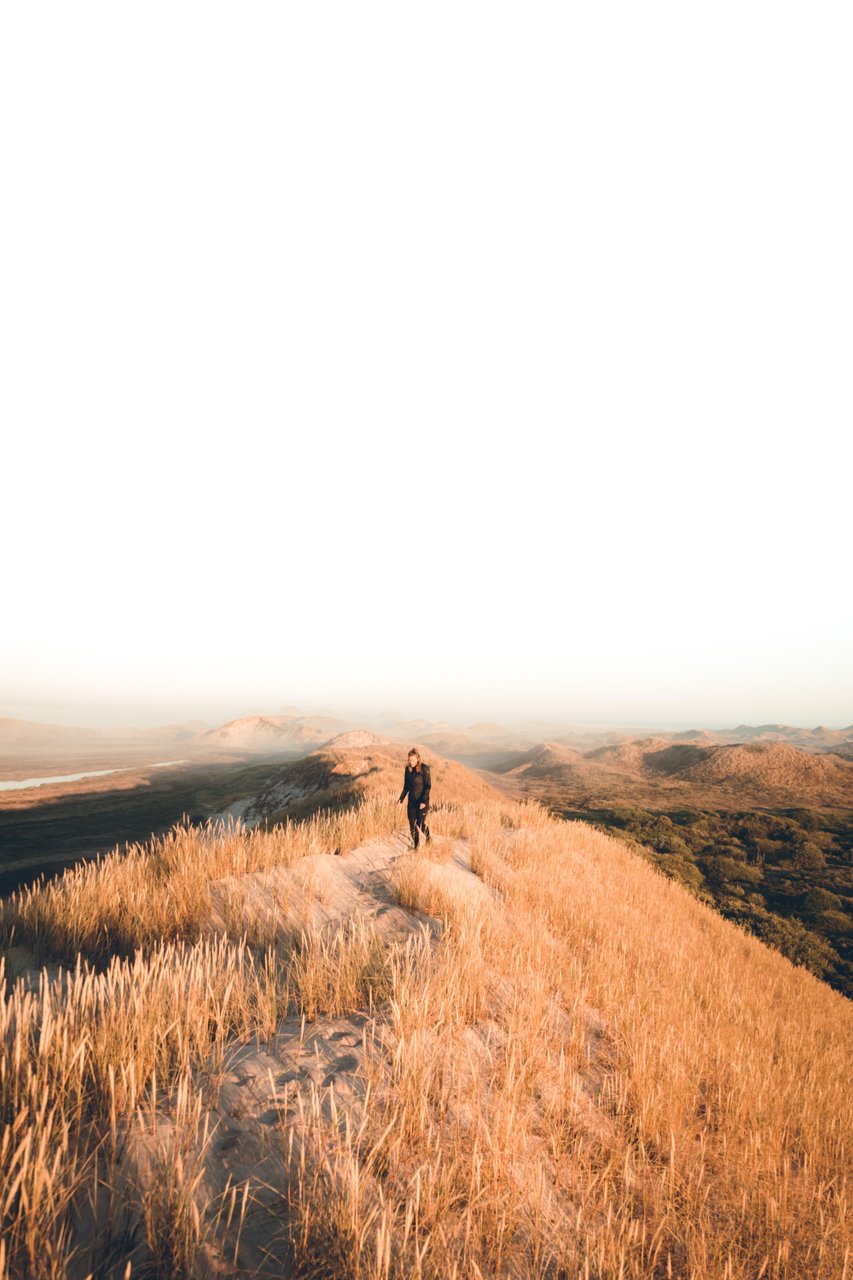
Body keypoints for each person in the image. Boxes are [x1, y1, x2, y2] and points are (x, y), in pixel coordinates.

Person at [398, 747, 431, 848]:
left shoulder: (424, 769)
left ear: (417, 759)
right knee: (412, 825)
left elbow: (428, 786)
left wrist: (423, 801)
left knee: (420, 823)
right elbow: (406, 786)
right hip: (411, 801)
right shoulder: (407, 770)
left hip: (422, 802)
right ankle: (416, 846)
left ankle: (428, 838)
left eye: (413, 760)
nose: (411, 762)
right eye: (409, 760)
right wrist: (401, 799)